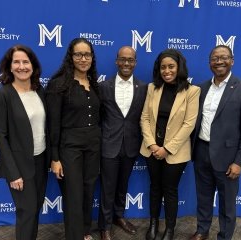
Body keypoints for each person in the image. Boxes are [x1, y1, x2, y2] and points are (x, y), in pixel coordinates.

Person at [189, 45, 241, 240]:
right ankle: (202, 230)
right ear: (209, 62)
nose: (219, 61)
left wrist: (239, 162)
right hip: (201, 151)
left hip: (228, 159)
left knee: (227, 203)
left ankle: (224, 236)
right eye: (215, 58)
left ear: (232, 61)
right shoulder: (201, 88)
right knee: (203, 197)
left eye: (224, 57)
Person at [140, 49, 200, 240]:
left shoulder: (192, 91)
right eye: (163, 67)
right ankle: (153, 224)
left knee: (170, 190)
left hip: (175, 152)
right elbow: (144, 118)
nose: (167, 71)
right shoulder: (152, 88)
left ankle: (170, 229)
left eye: (171, 66)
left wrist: (166, 149)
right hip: (151, 149)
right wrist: (152, 145)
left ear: (179, 67)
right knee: (155, 188)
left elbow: (189, 124)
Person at [45, 38, 100, 240]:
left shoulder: (94, 84)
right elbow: (53, 124)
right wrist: (55, 157)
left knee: (87, 192)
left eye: (87, 54)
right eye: (78, 54)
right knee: (73, 196)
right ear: (71, 57)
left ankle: (85, 232)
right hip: (69, 149)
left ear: (92, 58)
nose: (83, 59)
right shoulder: (58, 85)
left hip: (93, 148)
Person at [0, 45, 49, 240]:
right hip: (19, 165)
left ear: (33, 65)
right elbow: (0, 136)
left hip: (41, 160)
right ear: (9, 66)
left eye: (26, 61)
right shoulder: (3, 94)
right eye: (16, 62)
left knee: (35, 209)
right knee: (27, 211)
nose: (21, 66)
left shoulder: (39, 90)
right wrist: (13, 173)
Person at [97, 46, 147, 240]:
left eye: (131, 60)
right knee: (107, 188)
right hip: (109, 145)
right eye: (123, 59)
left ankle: (119, 216)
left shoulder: (143, 88)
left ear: (135, 63)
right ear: (117, 61)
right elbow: (99, 117)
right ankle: (105, 226)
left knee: (122, 185)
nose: (127, 63)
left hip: (131, 145)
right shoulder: (104, 87)